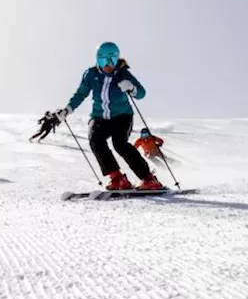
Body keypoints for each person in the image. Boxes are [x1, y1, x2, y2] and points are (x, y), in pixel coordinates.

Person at [53, 41, 165, 191]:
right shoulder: (91, 74)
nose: (107, 64)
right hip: (99, 117)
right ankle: (117, 179)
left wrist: (131, 88)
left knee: (120, 144)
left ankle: (148, 179)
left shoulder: (123, 74)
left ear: (117, 59)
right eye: (103, 60)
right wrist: (67, 109)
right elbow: (81, 94)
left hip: (122, 116)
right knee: (95, 140)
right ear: (97, 59)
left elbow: (141, 93)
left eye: (111, 60)